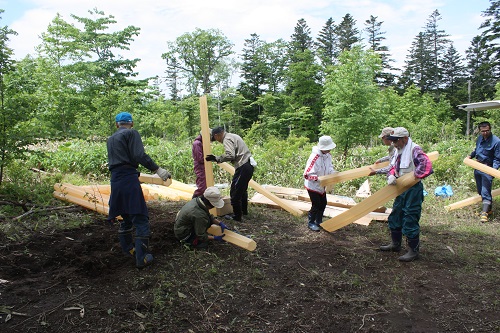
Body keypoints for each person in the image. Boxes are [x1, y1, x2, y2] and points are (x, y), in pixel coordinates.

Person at [107, 112, 171, 269]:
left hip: (115, 180)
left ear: (117, 124)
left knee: (126, 216)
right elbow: (138, 154)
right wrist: (157, 169)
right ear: (132, 123)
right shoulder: (131, 133)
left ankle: (129, 249)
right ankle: (142, 258)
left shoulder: (111, 139)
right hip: (129, 179)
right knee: (140, 218)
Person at [381, 127, 433, 262]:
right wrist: (392, 175)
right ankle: (395, 244)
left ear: (404, 139)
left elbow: (426, 166)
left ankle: (413, 251)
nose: (393, 143)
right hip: (400, 187)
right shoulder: (398, 150)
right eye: (392, 140)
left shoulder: (414, 149)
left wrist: (413, 177)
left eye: (396, 141)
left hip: (413, 188)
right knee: (396, 214)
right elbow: (392, 166)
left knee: (410, 215)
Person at [205, 127, 255, 222]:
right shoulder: (233, 136)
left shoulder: (226, 139)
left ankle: (237, 216)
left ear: (217, 135)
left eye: (215, 138)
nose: (216, 140)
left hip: (243, 166)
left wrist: (217, 158)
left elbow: (230, 155)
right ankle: (243, 212)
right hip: (248, 165)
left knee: (235, 192)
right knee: (242, 190)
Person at [466, 121, 500, 222]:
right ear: (480, 131)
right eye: (483, 131)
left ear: (490, 129)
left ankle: (484, 214)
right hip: (478, 166)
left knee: (485, 191)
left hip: (488, 168)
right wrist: (470, 156)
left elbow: (498, 159)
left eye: (487, 131)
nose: (485, 133)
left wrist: (493, 171)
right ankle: (489, 210)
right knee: (480, 191)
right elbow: (477, 150)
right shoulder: (480, 138)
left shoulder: (496, 141)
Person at [303, 136, 337, 231]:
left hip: (322, 185)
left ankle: (319, 221)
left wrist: (332, 173)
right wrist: (319, 179)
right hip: (313, 186)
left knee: (323, 203)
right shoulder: (315, 157)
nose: (329, 150)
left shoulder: (328, 156)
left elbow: (329, 167)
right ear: (322, 147)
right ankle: (311, 222)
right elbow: (306, 174)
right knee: (316, 204)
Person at [192, 130, 211, 198]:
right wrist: (209, 159)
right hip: (200, 167)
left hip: (203, 166)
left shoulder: (201, 143)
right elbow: (199, 158)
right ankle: (194, 201)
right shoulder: (197, 143)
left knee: (205, 185)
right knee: (202, 187)